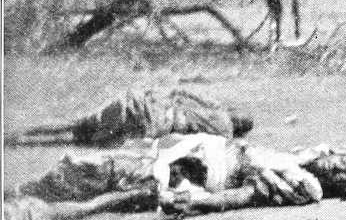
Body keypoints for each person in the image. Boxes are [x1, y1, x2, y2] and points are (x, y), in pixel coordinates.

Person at [4, 86, 253, 146]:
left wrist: (171, 93)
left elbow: (184, 92)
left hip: (148, 107)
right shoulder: (225, 134)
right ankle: (28, 140)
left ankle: (22, 134)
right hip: (154, 126)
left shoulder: (218, 108)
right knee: (83, 139)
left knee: (77, 125)